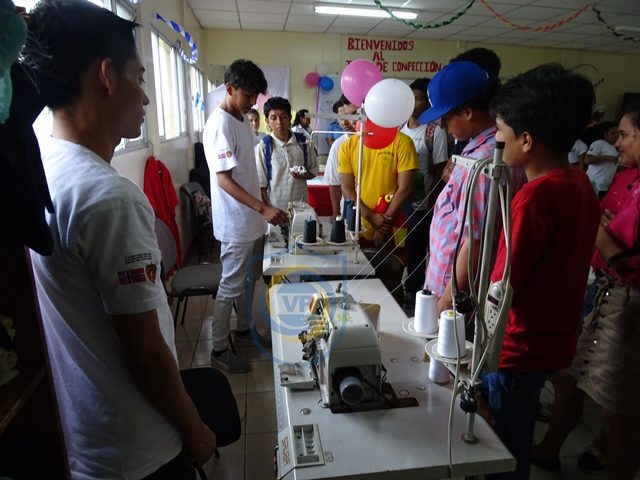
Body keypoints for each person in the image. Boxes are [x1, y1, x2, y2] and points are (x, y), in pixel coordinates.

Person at [23, 1, 215, 477]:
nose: (146, 97)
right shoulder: (110, 199)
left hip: (88, 437)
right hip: (140, 449)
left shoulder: (43, 167)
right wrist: (194, 431)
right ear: (107, 75)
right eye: (140, 77)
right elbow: (146, 354)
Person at [477, 64, 600, 479]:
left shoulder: (534, 200)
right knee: (519, 431)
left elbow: (502, 289)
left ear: (526, 140)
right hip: (553, 342)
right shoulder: (579, 184)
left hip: (516, 351)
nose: (496, 141)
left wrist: (475, 355)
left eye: (500, 132)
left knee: (502, 452)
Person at [531, 110, 640, 480]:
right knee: (568, 378)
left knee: (618, 407)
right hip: (603, 290)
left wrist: (602, 236)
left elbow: (627, 263)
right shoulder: (626, 178)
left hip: (629, 303)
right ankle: (549, 449)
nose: (617, 142)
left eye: (625, 135)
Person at [203, 59, 288, 373]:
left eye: (256, 96)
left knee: (248, 282)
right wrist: (263, 208)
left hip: (251, 219)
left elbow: (248, 173)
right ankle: (219, 348)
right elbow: (224, 180)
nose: (253, 102)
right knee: (230, 286)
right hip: (235, 222)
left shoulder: (239, 119)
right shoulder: (220, 125)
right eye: (248, 95)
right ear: (230, 88)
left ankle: (242, 331)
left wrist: (264, 205)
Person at [420, 61, 522, 315]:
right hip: (449, 290)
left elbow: (475, 243)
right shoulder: (478, 150)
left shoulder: (485, 162)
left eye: (445, 118)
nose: (442, 126)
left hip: (456, 301)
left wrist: (445, 305)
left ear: (467, 112)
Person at [400, 78, 448, 310]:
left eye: (418, 99)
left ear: (428, 104)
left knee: (418, 249)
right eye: (410, 98)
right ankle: (396, 283)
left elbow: (440, 171)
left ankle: (413, 289)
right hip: (399, 200)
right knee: (401, 245)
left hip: (422, 203)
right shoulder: (398, 129)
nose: (412, 103)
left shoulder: (434, 132)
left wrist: (432, 202)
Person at [338, 118, 418, 252]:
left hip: (392, 224)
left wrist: (384, 224)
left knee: (392, 262)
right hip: (358, 225)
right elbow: (346, 188)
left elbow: (406, 188)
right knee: (358, 262)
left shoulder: (403, 142)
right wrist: (370, 216)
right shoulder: (348, 146)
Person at [255, 96, 317, 210]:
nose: (279, 122)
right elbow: (261, 186)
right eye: (273, 118)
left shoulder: (303, 142)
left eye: (283, 117)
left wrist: (304, 175)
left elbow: (313, 170)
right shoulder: (264, 147)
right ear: (267, 121)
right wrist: (269, 211)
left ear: (290, 118)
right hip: (277, 210)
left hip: (302, 208)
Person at [324, 95, 357, 219]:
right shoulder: (338, 145)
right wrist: (336, 213)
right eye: (341, 118)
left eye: (351, 116)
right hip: (349, 209)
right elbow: (334, 182)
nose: (345, 122)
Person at [585, 121, 620, 197]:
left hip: (605, 187)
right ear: (605, 134)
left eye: (618, 133)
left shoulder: (617, 147)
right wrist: (608, 158)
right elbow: (587, 160)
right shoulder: (599, 143)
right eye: (613, 133)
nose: (616, 135)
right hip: (593, 183)